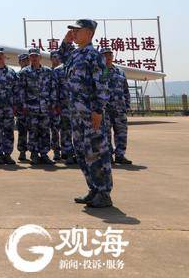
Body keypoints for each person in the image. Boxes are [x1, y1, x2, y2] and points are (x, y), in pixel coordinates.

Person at [58, 19, 114, 208]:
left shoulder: (94, 56)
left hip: (91, 116)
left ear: (89, 33)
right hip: (76, 115)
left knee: (97, 153)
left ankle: (104, 193)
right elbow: (60, 58)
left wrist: (98, 110)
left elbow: (103, 85)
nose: (73, 33)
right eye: (72, 31)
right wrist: (65, 42)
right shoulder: (75, 55)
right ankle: (93, 189)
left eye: (77, 30)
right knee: (82, 153)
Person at [19, 48, 56, 165]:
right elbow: (21, 90)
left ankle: (44, 154)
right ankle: (34, 154)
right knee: (33, 131)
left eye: (36, 56)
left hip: (45, 107)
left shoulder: (48, 71)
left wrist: (52, 104)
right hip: (31, 108)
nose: (34, 58)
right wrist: (24, 105)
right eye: (32, 56)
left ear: (40, 57)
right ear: (29, 58)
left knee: (45, 131)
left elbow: (53, 88)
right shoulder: (24, 72)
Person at [101, 47, 132, 165]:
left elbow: (125, 90)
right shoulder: (99, 72)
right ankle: (108, 156)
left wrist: (127, 105)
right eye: (105, 55)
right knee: (106, 134)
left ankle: (120, 155)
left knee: (121, 133)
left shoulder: (120, 72)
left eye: (109, 55)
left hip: (120, 109)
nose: (108, 57)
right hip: (105, 109)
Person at [49, 51, 67, 162]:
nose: (57, 59)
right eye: (54, 57)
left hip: (66, 106)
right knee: (54, 130)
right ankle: (56, 152)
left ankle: (66, 152)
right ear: (51, 59)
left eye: (58, 58)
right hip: (54, 107)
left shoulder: (64, 71)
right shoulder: (47, 72)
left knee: (66, 130)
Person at [15, 53, 30, 161]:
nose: (25, 62)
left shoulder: (33, 73)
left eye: (26, 60)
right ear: (19, 62)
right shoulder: (16, 75)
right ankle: (22, 152)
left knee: (35, 131)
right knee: (22, 131)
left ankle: (36, 152)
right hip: (21, 109)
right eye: (22, 60)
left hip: (33, 107)